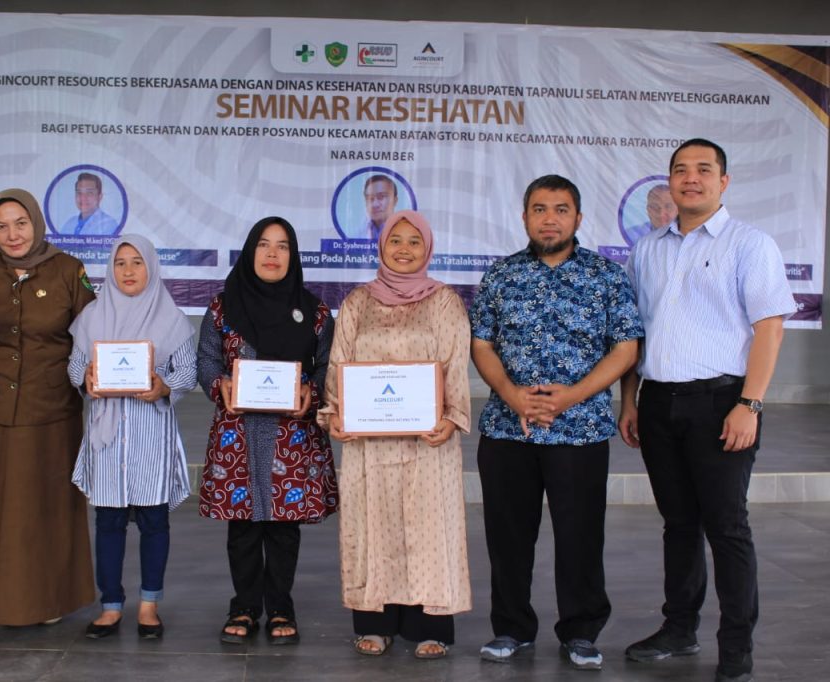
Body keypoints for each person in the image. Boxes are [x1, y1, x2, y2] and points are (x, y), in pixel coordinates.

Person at [620, 139, 795, 682]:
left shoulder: (750, 244)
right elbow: (634, 333)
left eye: (703, 169)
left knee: (727, 527)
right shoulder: (647, 249)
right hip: (657, 403)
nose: (690, 178)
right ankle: (680, 628)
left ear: (724, 181)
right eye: (680, 170)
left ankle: (736, 648)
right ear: (669, 182)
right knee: (678, 524)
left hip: (722, 403)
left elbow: (769, 328)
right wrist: (629, 400)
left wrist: (749, 404)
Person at [469, 175, 643, 670]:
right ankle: (511, 629)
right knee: (508, 537)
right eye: (540, 209)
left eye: (561, 209)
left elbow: (625, 348)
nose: (550, 219)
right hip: (509, 428)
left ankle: (581, 632)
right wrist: (512, 396)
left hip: (580, 429)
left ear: (578, 218)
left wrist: (570, 397)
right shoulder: (501, 275)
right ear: (525, 217)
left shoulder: (606, 277)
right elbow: (481, 344)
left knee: (580, 537)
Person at [320, 210, 471, 660]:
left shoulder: (444, 302)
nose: (404, 250)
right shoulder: (358, 302)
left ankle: (430, 626)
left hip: (428, 442)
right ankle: (375, 623)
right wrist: (336, 413)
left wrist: (452, 417)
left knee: (428, 529)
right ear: (381, 246)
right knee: (372, 527)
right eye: (395, 241)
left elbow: (455, 363)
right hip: (369, 444)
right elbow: (339, 363)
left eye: (414, 242)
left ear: (428, 249)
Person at [197, 217, 338, 646]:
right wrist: (218, 383)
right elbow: (207, 359)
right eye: (263, 244)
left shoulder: (314, 312)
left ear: (293, 255)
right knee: (242, 525)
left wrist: (312, 391)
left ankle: (280, 606)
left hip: (290, 436)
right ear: (250, 251)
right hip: (237, 433)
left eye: (282, 246)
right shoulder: (222, 307)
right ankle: (243, 605)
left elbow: (327, 365)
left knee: (283, 526)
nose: (272, 254)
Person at [0, 189, 96, 626]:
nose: (13, 234)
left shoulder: (68, 270)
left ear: (37, 223)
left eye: (21, 223)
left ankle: (48, 601)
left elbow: (91, 334)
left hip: (52, 411)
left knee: (47, 508)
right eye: (1, 226)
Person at [69, 234, 197, 640]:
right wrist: (87, 378)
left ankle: (148, 605)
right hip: (106, 442)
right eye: (120, 263)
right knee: (108, 523)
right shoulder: (92, 317)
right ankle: (110, 606)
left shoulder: (171, 318)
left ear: (151, 267)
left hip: (150, 437)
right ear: (110, 269)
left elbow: (188, 372)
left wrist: (164, 386)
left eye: (137, 262)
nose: (128, 271)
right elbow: (74, 367)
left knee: (154, 523)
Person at [360, 174, 398, 240]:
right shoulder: (357, 235)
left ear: (395, 200)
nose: (375, 204)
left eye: (381, 197)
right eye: (370, 198)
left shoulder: (406, 229)